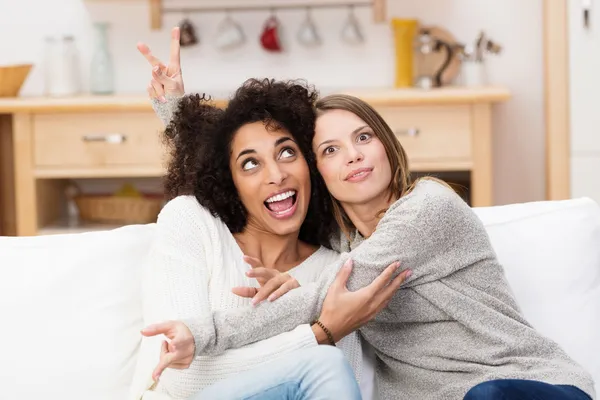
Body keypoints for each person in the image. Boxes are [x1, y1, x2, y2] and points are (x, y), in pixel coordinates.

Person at [149, 81, 596, 398]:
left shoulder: (426, 209)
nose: (354, 154)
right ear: (318, 171)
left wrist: (203, 332)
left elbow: (331, 290)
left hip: (528, 387)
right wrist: (176, 116)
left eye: (363, 137)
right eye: (330, 150)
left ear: (385, 144)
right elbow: (243, 182)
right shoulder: (342, 244)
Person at [131, 28, 406, 400]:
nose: (276, 175)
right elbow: (183, 381)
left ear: (312, 164)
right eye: (250, 164)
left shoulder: (334, 271)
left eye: (288, 153)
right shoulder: (192, 222)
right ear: (230, 182)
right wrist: (318, 333)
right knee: (322, 362)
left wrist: (298, 311)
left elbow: (344, 384)